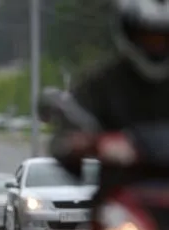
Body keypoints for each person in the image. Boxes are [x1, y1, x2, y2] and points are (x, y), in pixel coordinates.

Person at [49, 0, 169, 202]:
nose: (155, 45)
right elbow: (66, 132)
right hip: (120, 203)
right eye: (147, 37)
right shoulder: (101, 83)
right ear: (129, 33)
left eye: (163, 38)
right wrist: (78, 144)